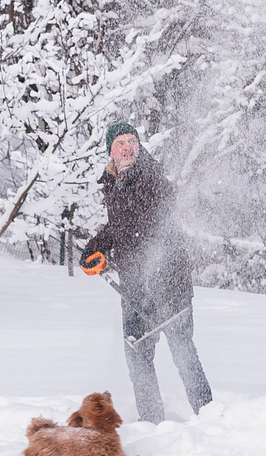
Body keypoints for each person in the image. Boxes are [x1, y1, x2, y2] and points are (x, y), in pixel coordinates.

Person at [78, 123, 214, 422]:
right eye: (119, 143)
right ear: (110, 152)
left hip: (168, 285)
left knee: (182, 351)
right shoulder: (114, 184)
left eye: (131, 141)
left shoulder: (151, 178)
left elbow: (155, 221)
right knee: (138, 357)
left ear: (138, 147)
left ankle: (209, 416)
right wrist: (93, 249)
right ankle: (151, 424)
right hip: (135, 288)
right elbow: (119, 228)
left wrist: (152, 275)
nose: (127, 147)